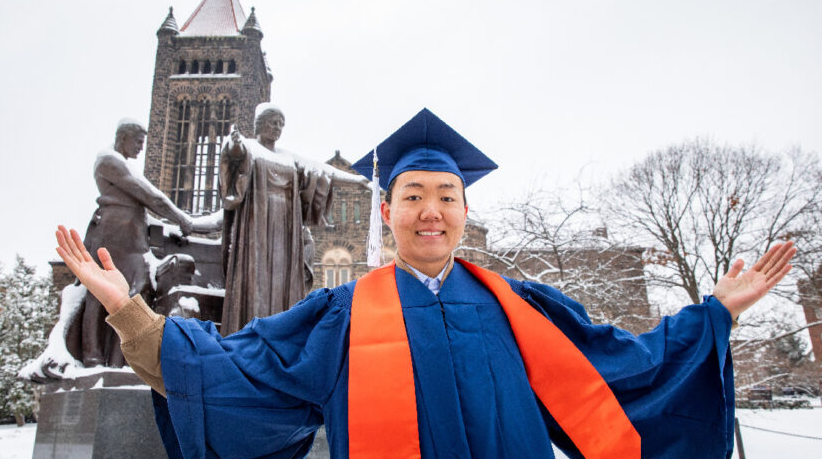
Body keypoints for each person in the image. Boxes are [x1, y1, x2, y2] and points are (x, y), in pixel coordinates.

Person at [55, 109, 795, 458]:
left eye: (446, 196)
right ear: (387, 213)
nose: (430, 211)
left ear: (466, 211)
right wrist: (128, 311)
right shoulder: (342, 315)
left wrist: (714, 316)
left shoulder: (521, 308)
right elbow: (231, 369)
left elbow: (624, 368)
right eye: (412, 197)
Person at [218, 103, 367, 334]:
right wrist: (235, 146)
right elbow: (234, 158)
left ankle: (281, 331)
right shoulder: (249, 148)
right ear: (260, 123)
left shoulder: (289, 158)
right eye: (273, 122)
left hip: (286, 228)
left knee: (283, 279)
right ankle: (250, 330)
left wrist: (358, 181)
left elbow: (322, 172)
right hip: (256, 224)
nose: (277, 127)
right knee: (257, 277)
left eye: (281, 124)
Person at [71, 119, 193, 368]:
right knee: (100, 292)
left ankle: (120, 356)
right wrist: (181, 218)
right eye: (138, 141)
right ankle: (93, 354)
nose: (141, 147)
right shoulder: (109, 160)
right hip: (114, 231)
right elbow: (148, 195)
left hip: (132, 235)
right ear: (123, 137)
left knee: (136, 288)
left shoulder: (122, 162)